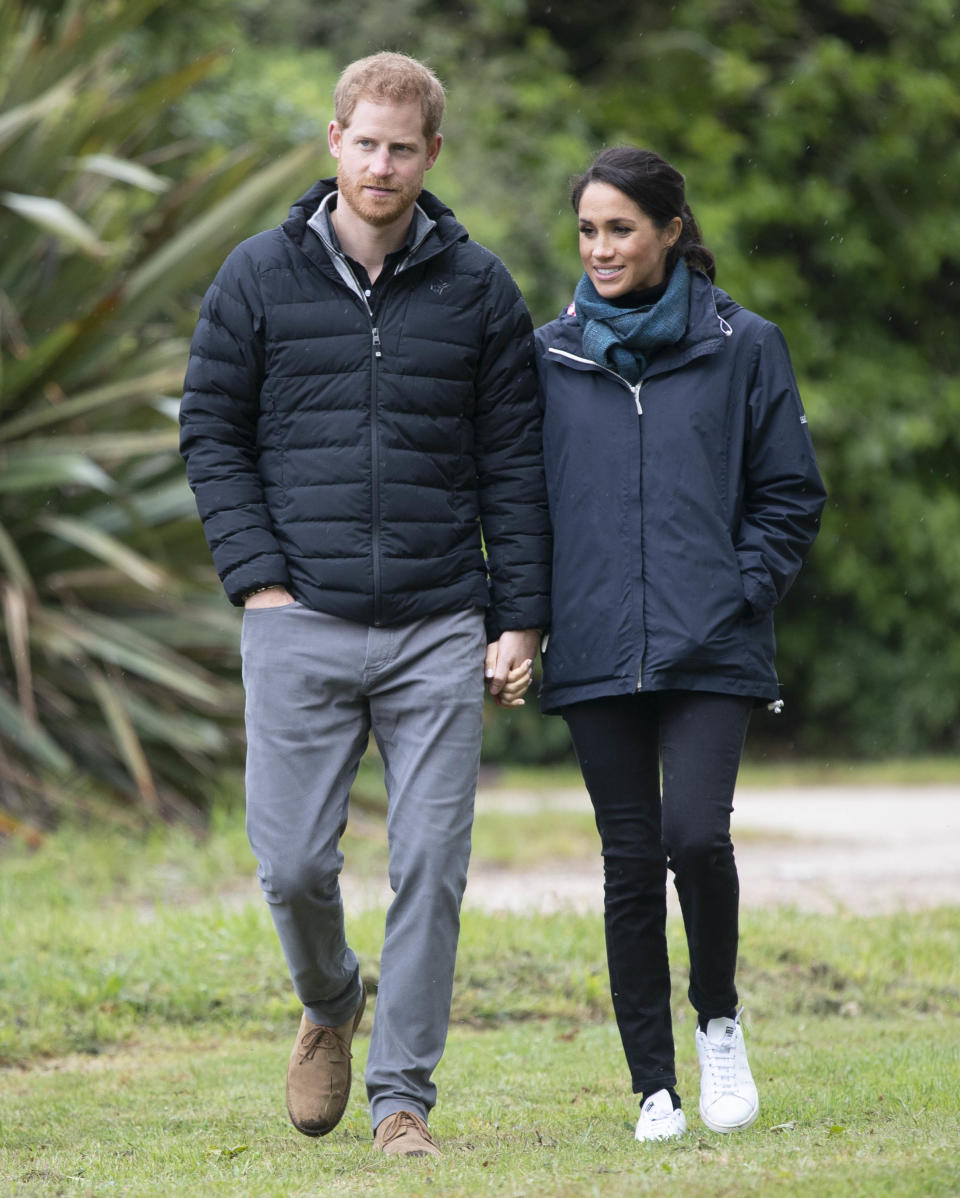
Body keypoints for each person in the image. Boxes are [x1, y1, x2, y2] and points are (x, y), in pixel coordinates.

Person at [179, 52, 550, 1158]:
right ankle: (332, 998)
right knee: (292, 865)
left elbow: (516, 467)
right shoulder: (256, 276)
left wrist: (516, 618)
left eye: (404, 147)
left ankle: (402, 1102)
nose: (382, 164)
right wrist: (261, 580)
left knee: (432, 861)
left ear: (431, 155)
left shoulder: (480, 290)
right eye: (365, 141)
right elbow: (210, 433)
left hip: (440, 616)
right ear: (331, 141)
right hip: (300, 612)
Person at [535, 147, 826, 1143]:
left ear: (670, 229)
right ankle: (651, 1085)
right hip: (594, 643)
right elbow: (521, 507)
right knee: (626, 861)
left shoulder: (749, 345)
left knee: (694, 836)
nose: (601, 248)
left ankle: (719, 1021)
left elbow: (791, 493)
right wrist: (529, 618)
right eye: (587, 230)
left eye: (620, 227)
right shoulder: (551, 356)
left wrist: (740, 589)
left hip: (714, 640)